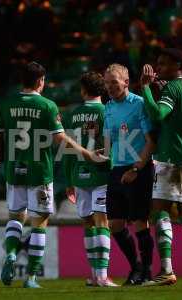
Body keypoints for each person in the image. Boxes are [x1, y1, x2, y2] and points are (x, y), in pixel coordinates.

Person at [0, 61, 106, 288]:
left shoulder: (6, 104)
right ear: (41, 81)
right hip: (40, 172)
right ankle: (31, 277)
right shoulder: (47, 106)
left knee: (15, 217)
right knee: (39, 223)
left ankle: (12, 253)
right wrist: (86, 154)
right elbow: (60, 139)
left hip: (14, 171)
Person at [140, 48, 182, 287]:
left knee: (159, 211)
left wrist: (146, 89)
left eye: (164, 64)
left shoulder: (172, 88)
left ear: (178, 65)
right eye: (157, 63)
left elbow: (159, 114)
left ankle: (166, 269)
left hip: (172, 157)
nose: (159, 68)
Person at [64, 71, 117, 287]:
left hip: (79, 174)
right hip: (102, 174)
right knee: (102, 221)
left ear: (84, 91)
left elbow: (67, 148)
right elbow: (114, 145)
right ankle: (103, 276)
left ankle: (95, 275)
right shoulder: (108, 112)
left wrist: (69, 180)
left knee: (88, 224)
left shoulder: (73, 114)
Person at [103, 64, 155, 285]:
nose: (110, 87)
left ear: (126, 81)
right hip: (117, 170)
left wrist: (136, 169)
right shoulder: (108, 107)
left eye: (114, 82)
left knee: (139, 222)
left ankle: (147, 272)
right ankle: (136, 267)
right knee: (115, 224)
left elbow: (152, 140)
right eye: (106, 83)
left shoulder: (139, 104)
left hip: (138, 169)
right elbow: (108, 143)